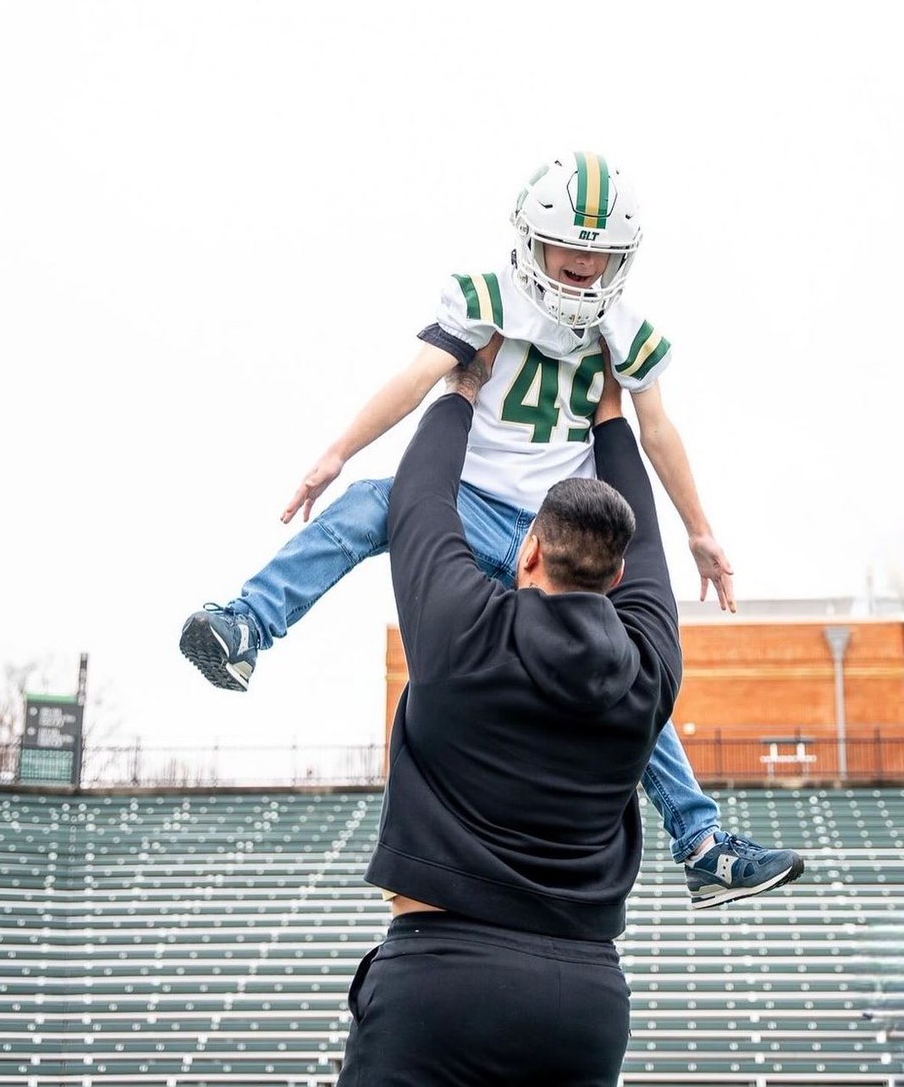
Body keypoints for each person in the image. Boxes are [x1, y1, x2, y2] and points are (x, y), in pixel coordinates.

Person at [181, 152, 803, 908]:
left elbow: (659, 431)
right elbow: (414, 382)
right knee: (372, 503)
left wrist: (700, 532)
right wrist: (336, 453)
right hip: (469, 507)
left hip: (559, 535)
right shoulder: (484, 297)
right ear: (529, 237)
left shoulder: (628, 330)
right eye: (568, 245)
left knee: (628, 680)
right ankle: (247, 625)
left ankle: (700, 844)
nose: (580, 263)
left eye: (598, 252)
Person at [337, 346, 674, 1086]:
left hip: (441, 981)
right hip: (584, 999)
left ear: (527, 551)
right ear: (618, 579)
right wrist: (610, 412)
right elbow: (645, 535)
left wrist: (462, 382)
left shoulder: (461, 630)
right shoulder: (649, 668)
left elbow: (420, 496)